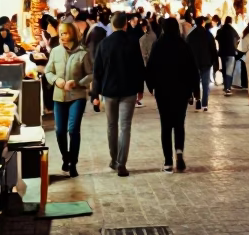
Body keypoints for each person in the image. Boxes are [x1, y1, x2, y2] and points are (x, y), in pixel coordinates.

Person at [91, 12, 145, 177]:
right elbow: (139, 67)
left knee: (111, 126)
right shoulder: (133, 43)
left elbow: (97, 71)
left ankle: (114, 160)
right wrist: (140, 88)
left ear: (112, 25)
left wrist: (95, 94)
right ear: (125, 25)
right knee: (125, 127)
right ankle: (122, 164)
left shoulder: (104, 44)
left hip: (109, 91)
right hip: (128, 91)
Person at [145, 17, 199, 172]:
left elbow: (150, 68)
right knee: (179, 123)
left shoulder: (158, 45)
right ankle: (179, 152)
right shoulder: (184, 45)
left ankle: (168, 162)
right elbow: (192, 69)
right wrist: (195, 90)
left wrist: (151, 86)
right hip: (181, 91)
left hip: (163, 91)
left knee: (166, 125)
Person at [45, 20, 91, 178]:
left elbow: (91, 74)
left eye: (64, 33)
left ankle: (73, 163)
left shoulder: (83, 53)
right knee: (59, 131)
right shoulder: (55, 51)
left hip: (77, 96)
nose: (61, 36)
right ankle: (66, 157)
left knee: (73, 130)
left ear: (72, 33)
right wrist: (56, 81)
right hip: (59, 96)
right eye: (60, 34)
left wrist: (78, 83)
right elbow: (48, 71)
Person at [187, 16, 220, 111]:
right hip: (206, 62)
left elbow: (187, 50)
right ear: (202, 23)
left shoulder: (191, 36)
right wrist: (215, 62)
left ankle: (198, 100)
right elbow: (213, 49)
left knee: (196, 82)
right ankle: (205, 104)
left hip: (194, 62)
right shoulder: (208, 35)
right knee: (206, 83)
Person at [216, 17, 240, 96]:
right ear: (231, 21)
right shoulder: (233, 30)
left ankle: (225, 85)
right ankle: (228, 88)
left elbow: (217, 38)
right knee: (229, 71)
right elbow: (238, 38)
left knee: (224, 69)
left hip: (222, 52)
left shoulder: (221, 30)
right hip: (231, 52)